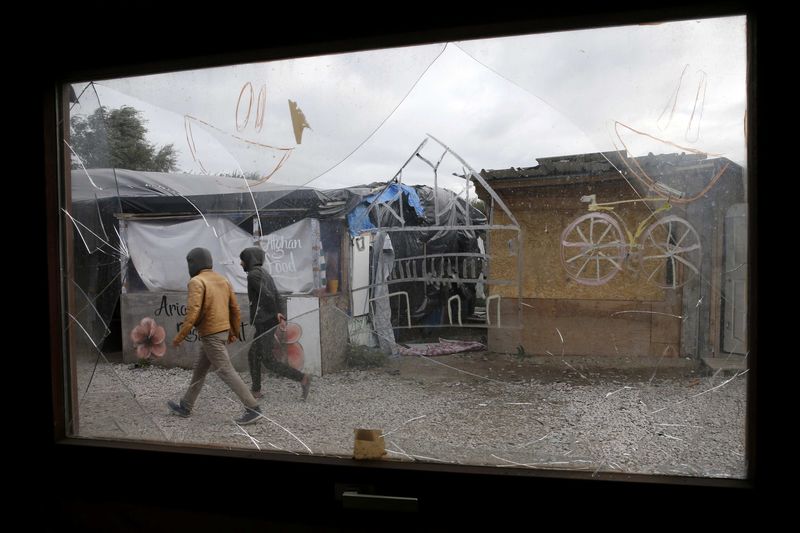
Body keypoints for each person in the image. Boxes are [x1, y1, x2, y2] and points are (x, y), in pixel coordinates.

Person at [167, 247, 262, 425]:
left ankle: (253, 408)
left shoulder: (196, 281)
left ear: (193, 263)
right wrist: (233, 332)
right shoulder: (223, 280)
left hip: (210, 334)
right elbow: (235, 309)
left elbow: (192, 313)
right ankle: (186, 406)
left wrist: (180, 336)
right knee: (200, 370)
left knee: (225, 371)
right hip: (220, 332)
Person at [240, 246, 312, 400]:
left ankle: (302, 378)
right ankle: (256, 390)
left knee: (267, 360)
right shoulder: (265, 273)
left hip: (264, 321)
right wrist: (280, 314)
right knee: (254, 354)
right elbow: (277, 295)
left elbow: (266, 295)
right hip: (268, 320)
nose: (241, 263)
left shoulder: (253, 275)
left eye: (242, 259)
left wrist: (275, 313)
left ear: (249, 259)